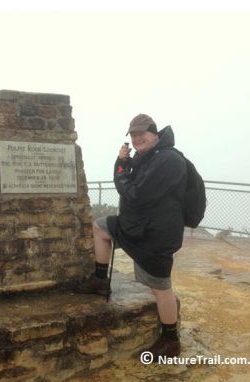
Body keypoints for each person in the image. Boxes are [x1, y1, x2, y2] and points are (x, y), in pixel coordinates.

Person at [78, 113, 187, 358]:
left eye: (142, 134)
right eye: (134, 135)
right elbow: (129, 179)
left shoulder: (168, 160)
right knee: (101, 227)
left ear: (155, 134)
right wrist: (122, 161)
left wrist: (120, 172)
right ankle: (100, 279)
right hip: (136, 225)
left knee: (160, 287)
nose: (137, 139)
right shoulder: (146, 156)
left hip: (156, 234)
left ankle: (171, 340)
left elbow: (135, 192)